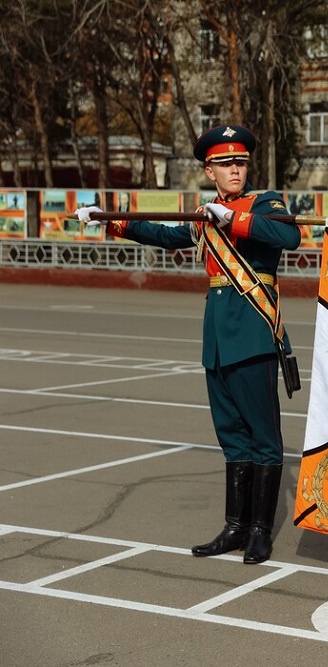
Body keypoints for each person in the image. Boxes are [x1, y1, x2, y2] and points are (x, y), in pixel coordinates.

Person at [74, 124, 301, 565]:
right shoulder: (204, 212)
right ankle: (234, 527)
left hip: (253, 333)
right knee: (232, 438)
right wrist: (108, 219)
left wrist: (232, 219)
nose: (236, 170)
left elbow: (288, 237)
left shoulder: (265, 202)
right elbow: (165, 235)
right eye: (226, 164)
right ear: (209, 170)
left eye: (241, 162)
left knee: (264, 439)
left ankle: (259, 532)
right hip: (217, 338)